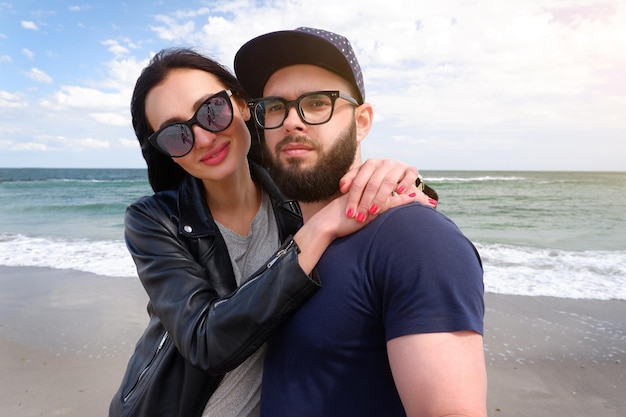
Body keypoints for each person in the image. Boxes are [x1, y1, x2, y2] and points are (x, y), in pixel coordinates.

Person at [108, 47, 431, 417]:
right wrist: (317, 231)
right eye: (175, 134)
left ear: (243, 105)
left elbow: (353, 177)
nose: (202, 138)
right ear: (165, 151)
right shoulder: (154, 220)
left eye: (212, 110)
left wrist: (396, 178)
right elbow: (205, 341)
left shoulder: (299, 193)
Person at [234, 27, 487, 416]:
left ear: (362, 121)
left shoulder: (416, 240)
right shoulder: (290, 238)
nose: (290, 122)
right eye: (274, 107)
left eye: (317, 102)